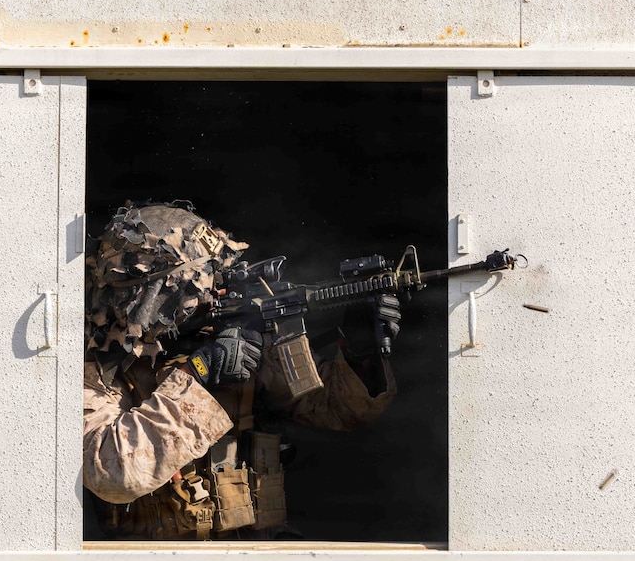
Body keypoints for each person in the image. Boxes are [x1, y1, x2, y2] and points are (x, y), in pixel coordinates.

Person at [83, 201, 402, 539]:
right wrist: (199, 372)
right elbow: (113, 473)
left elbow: (340, 409)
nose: (214, 293)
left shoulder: (234, 338)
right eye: (194, 287)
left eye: (212, 278)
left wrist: (358, 351)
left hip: (255, 550)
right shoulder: (97, 368)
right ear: (151, 296)